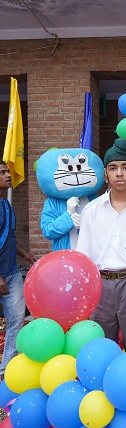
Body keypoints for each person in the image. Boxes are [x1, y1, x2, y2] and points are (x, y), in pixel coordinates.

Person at [76, 138, 126, 351]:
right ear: (106, 174)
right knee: (102, 346)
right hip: (100, 285)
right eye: (113, 168)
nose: (119, 173)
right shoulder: (92, 211)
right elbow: (83, 256)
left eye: (125, 168)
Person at [0, 161, 36, 381]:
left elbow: (8, 239)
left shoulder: (6, 204)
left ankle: (6, 371)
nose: (7, 175)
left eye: (7, 172)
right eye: (2, 172)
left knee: (15, 321)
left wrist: (25, 255)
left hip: (12, 273)